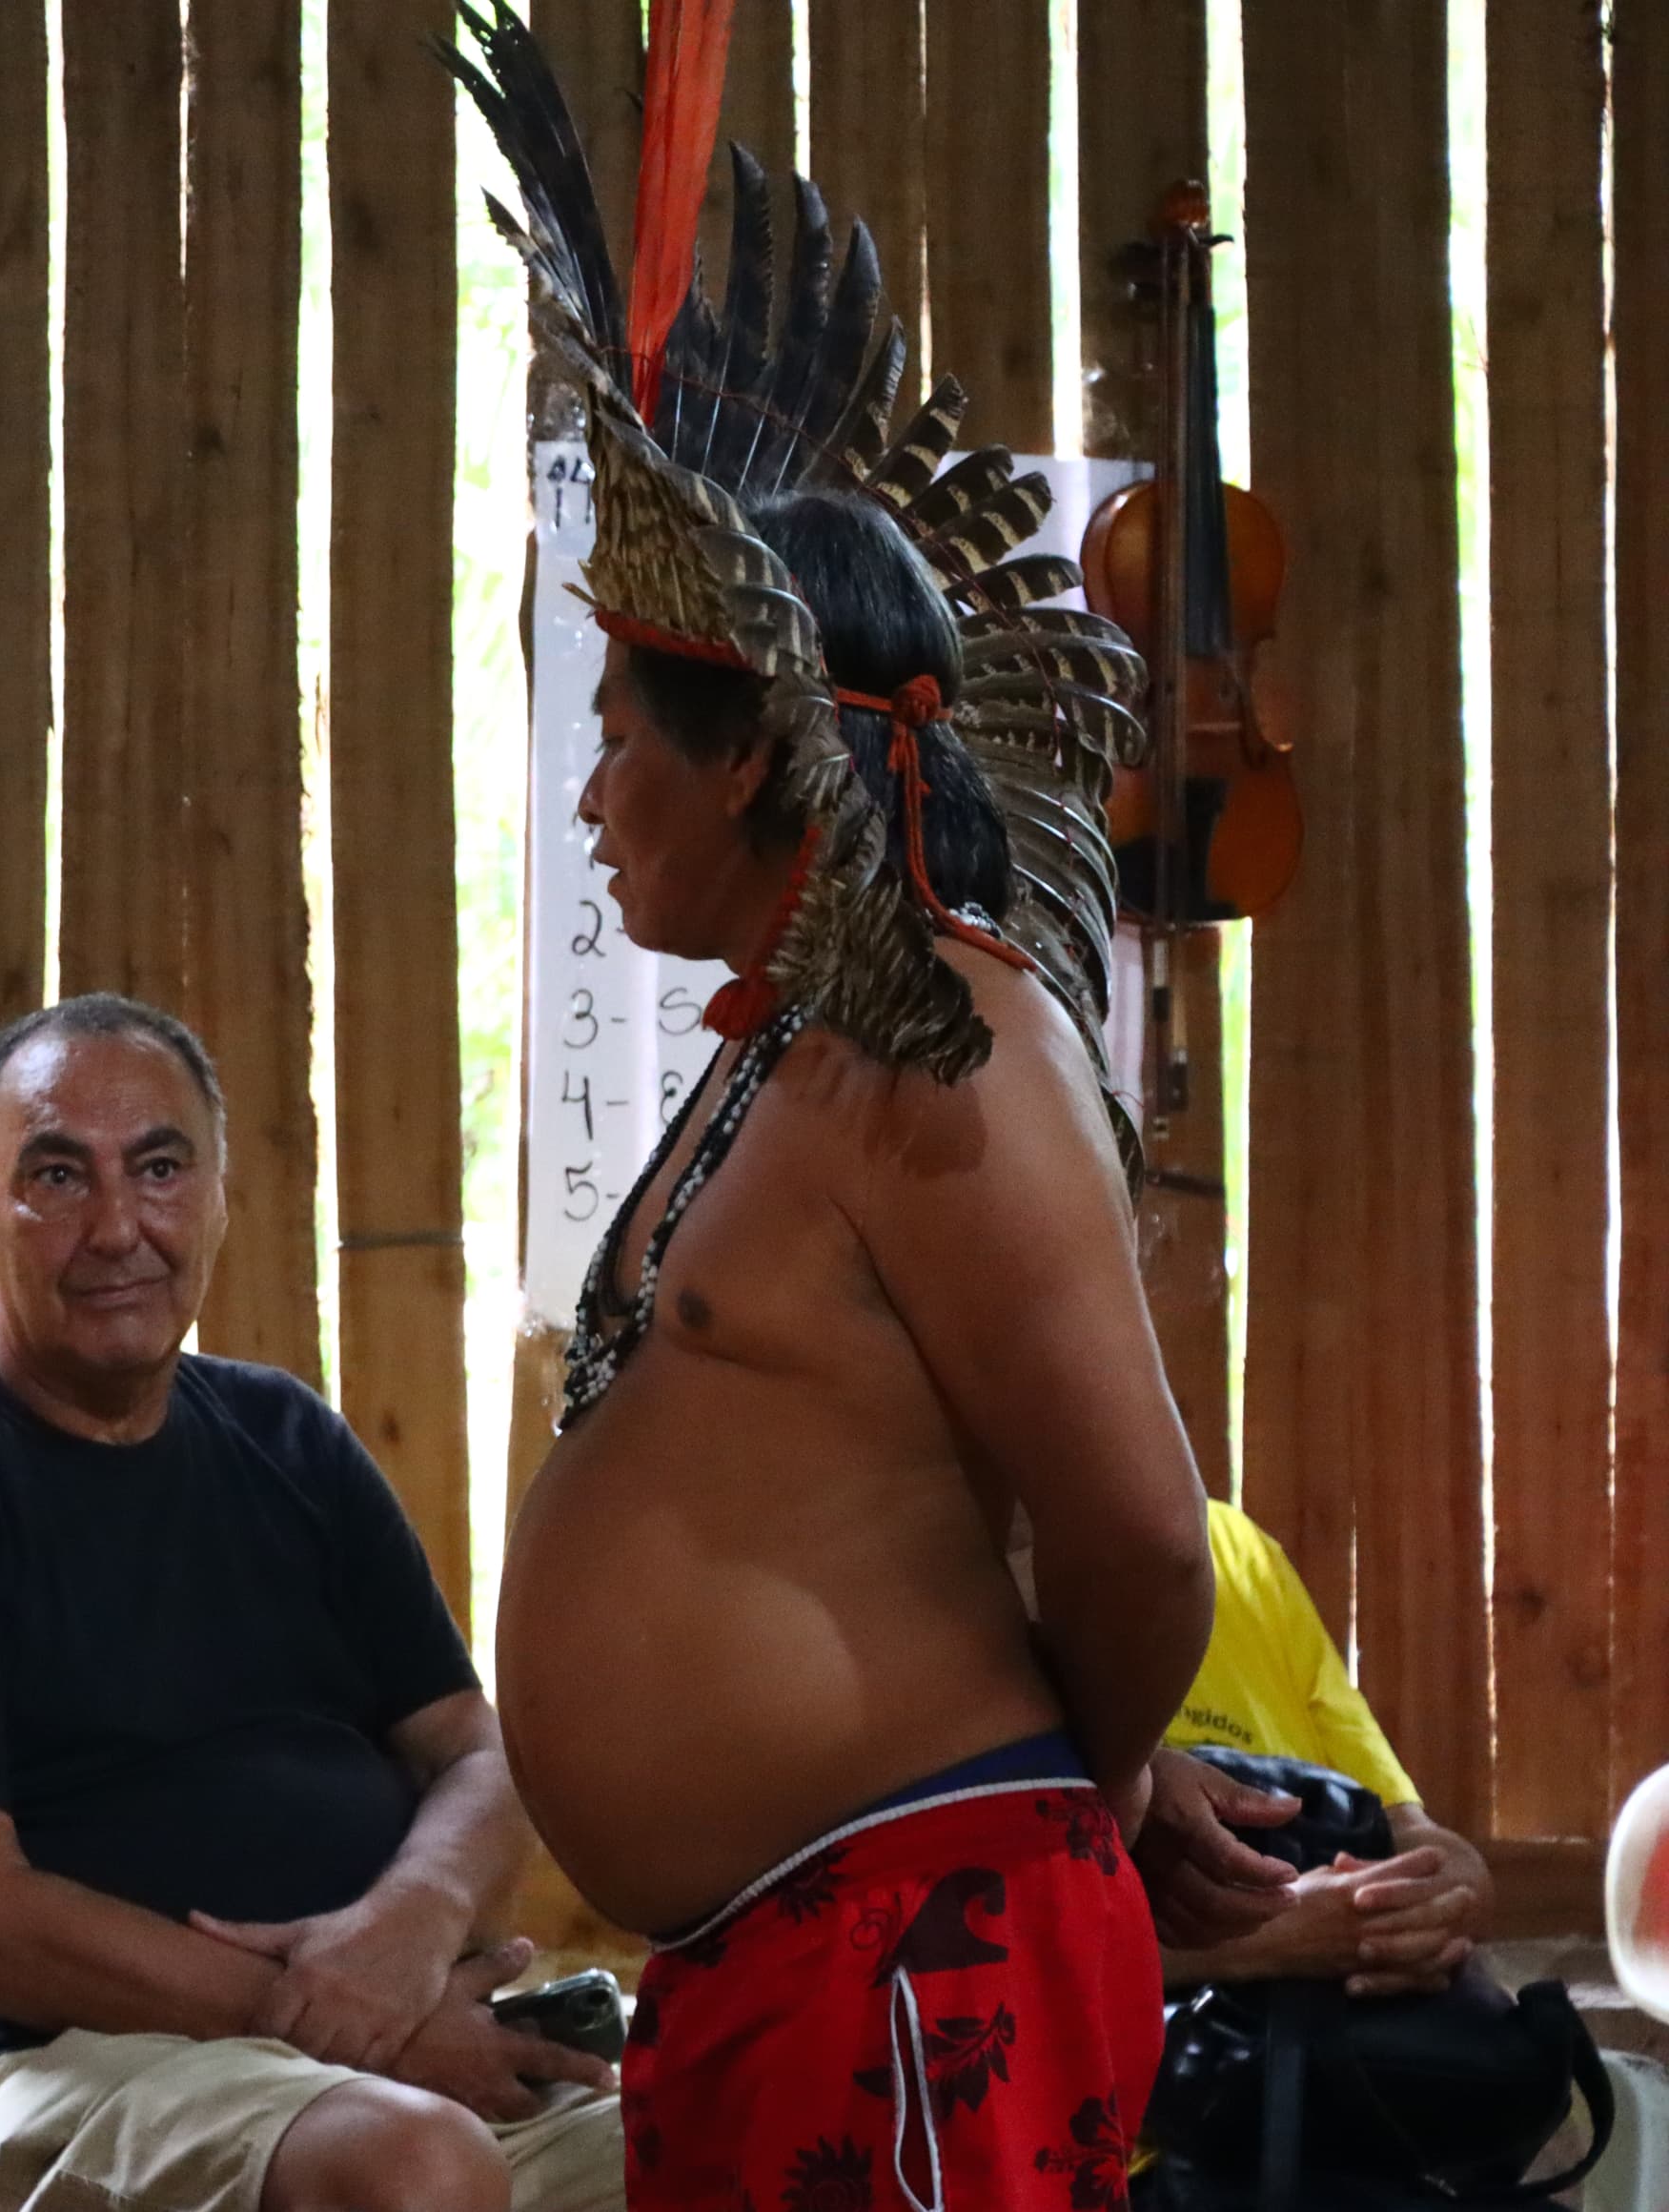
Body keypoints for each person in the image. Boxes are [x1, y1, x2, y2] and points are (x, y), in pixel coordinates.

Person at [450, 13, 1285, 2203]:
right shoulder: (795, 1045)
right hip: (799, 1953)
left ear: (748, 752)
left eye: (617, 733)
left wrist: (1082, 1778)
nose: (589, 792)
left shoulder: (950, 1040)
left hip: (921, 1950)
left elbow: (1132, 1531)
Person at [0, 995, 625, 2212]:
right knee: (416, 2166)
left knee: (753, 2131)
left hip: (384, 2061)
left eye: (160, 1168)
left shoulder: (288, 1438)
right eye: (57, 1176)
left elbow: (475, 1751)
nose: (118, 1226)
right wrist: (324, 2014)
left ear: (221, 1195)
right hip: (58, 2074)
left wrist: (414, 1919)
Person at [1152, 1499, 1494, 1995]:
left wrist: (1420, 1910)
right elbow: (1038, 1954)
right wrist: (1276, 1936)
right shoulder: (1027, 1578)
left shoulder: (1235, 1546)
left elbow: (1427, 1844)